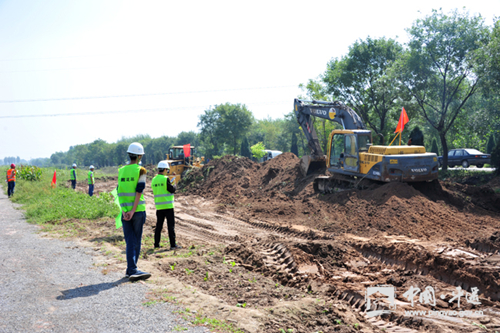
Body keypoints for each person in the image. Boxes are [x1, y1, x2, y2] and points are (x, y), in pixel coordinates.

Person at [117, 142, 151, 282]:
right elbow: (139, 191)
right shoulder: (141, 170)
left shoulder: (121, 171)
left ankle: (130, 269)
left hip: (125, 212)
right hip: (137, 212)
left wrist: (124, 211)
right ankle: (132, 270)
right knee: (136, 240)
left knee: (129, 241)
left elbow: (118, 191)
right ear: (138, 156)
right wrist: (132, 210)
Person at [151, 161, 181, 250]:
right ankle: (172, 245)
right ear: (164, 169)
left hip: (159, 207)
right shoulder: (165, 179)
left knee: (159, 226)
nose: (167, 171)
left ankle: (156, 244)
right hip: (168, 206)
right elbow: (171, 190)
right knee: (170, 226)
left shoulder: (153, 179)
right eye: (167, 170)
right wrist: (174, 185)